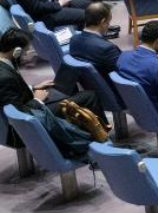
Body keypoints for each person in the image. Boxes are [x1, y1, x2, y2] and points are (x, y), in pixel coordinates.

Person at [0, 28, 106, 157]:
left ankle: (84, 133)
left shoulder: (4, 64)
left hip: (30, 102)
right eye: (26, 51)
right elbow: (17, 114)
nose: (27, 54)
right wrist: (37, 100)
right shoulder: (4, 77)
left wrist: (33, 88)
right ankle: (102, 143)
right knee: (89, 96)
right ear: (16, 51)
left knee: (69, 74)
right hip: (29, 118)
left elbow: (11, 93)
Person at [67, 2, 123, 92]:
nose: (108, 26)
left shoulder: (73, 40)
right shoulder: (107, 48)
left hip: (90, 88)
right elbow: (123, 75)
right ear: (103, 22)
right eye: (108, 23)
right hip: (113, 93)